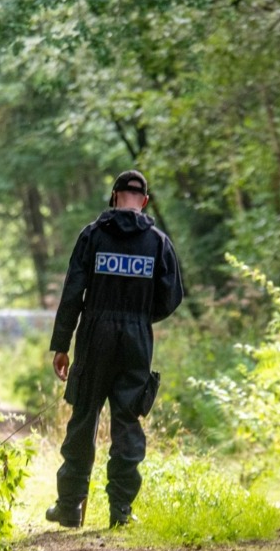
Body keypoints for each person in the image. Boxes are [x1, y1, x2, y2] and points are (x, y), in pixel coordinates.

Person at [45, 169, 185, 529]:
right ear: (145, 201)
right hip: (136, 338)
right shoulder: (157, 243)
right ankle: (120, 509)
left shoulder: (91, 236)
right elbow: (172, 297)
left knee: (83, 418)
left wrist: (62, 344)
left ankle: (70, 506)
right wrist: (140, 317)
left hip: (94, 335)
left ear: (114, 196)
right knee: (127, 421)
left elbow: (72, 293)